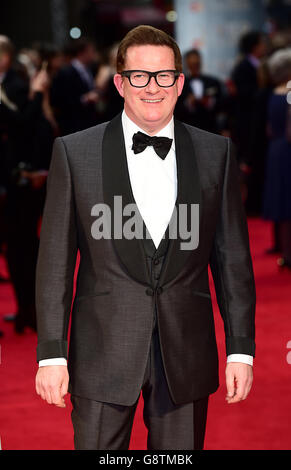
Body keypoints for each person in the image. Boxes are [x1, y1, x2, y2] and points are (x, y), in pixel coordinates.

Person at [35, 25, 256, 450]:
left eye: (163, 76)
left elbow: (233, 261)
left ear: (180, 83)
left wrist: (240, 350)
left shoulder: (216, 153)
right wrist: (51, 353)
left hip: (186, 353)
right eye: (139, 76)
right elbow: (55, 264)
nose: (152, 87)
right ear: (120, 82)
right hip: (101, 351)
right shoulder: (73, 152)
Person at [262, 48, 291, 269]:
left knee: (281, 200)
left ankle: (285, 251)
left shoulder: (274, 93)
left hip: (275, 150)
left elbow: (270, 129)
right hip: (287, 150)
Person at [50, 38, 99, 136]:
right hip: (73, 124)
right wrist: (85, 99)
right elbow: (61, 99)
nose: (93, 54)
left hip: (88, 121)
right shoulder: (66, 72)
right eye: (91, 51)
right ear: (82, 53)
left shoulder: (89, 68)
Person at [175, 48, 224, 134]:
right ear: (186, 64)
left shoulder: (213, 82)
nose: (194, 67)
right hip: (187, 130)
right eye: (192, 64)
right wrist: (189, 102)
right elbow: (175, 109)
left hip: (211, 129)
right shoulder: (179, 84)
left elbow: (223, 105)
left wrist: (210, 102)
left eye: (197, 64)